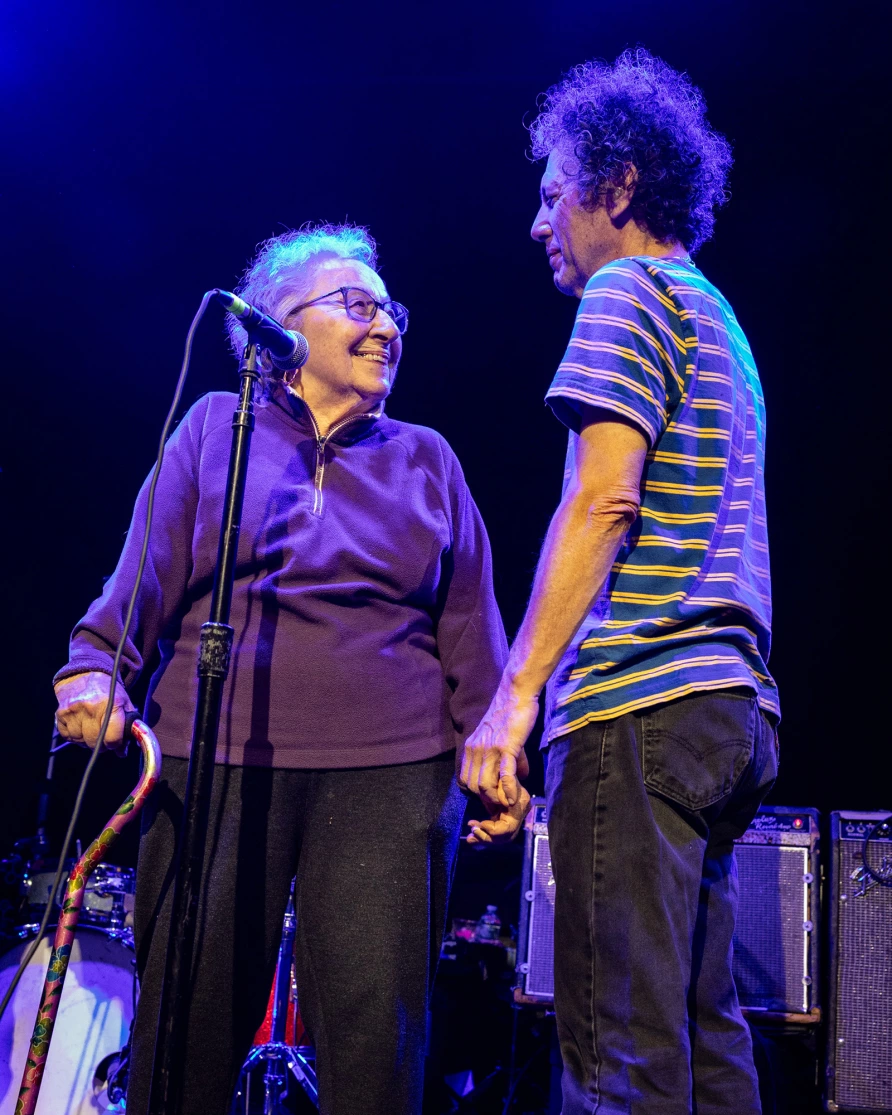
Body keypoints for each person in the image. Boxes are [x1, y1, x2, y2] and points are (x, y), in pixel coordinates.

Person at [53, 223, 507, 1115]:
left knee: (379, 1048)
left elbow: (470, 624)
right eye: (358, 304)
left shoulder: (428, 457)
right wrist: (96, 665)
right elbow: (144, 568)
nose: (386, 327)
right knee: (182, 1032)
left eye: (392, 310)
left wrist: (495, 754)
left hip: (394, 766)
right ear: (279, 330)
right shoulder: (215, 428)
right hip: (214, 753)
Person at [460, 50, 780, 1114]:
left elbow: (601, 502)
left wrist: (513, 702)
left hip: (638, 704)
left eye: (554, 192)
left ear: (620, 182)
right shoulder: (719, 319)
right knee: (701, 1033)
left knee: (620, 1060)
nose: (538, 222)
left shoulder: (626, 288)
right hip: (722, 711)